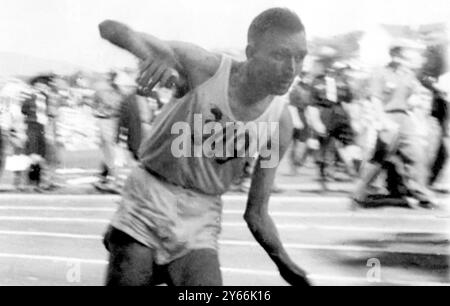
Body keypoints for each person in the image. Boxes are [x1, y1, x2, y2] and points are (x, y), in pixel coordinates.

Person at [99, 7, 310, 286]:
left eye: (300, 57)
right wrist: (151, 53)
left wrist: (286, 264)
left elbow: (257, 212)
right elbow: (109, 28)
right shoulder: (204, 68)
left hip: (200, 217)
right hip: (148, 199)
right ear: (251, 52)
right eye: (280, 55)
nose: (292, 69)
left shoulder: (279, 122)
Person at [353, 46, 437, 208]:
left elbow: (416, 96)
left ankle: (423, 194)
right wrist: (382, 120)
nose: (408, 62)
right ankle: (359, 192)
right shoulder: (381, 73)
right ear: (396, 57)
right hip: (387, 116)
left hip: (405, 118)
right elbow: (376, 99)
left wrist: (418, 112)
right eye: (405, 58)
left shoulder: (409, 75)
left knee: (417, 156)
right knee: (379, 158)